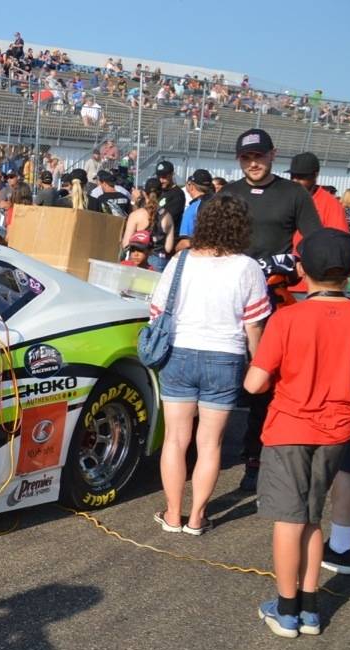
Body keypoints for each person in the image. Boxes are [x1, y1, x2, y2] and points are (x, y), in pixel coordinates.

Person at [244, 229, 350, 637]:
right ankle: (310, 606)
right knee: (312, 517)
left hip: (290, 428)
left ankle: (287, 608)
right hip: (338, 430)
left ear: (301, 270)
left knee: (288, 521)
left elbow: (254, 385)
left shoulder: (288, 317)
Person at [150, 193, 270, 536]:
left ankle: (173, 514)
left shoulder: (181, 262)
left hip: (179, 353)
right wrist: (256, 365)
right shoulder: (248, 267)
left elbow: (157, 312)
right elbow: (255, 325)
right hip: (225, 358)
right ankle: (198, 517)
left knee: (175, 439)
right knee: (210, 443)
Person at [221, 129, 323, 492]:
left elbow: (315, 242)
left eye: (259, 156)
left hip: (270, 297)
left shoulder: (293, 193)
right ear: (239, 159)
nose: (253, 163)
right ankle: (203, 450)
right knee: (221, 369)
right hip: (228, 296)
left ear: (272, 155)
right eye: (247, 157)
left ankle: (255, 453)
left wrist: (292, 261)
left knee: (264, 374)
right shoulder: (228, 193)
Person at [287, 152, 349, 254]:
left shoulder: (331, 204)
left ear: (315, 175)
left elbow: (339, 243)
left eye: (301, 177)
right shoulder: (284, 197)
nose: (295, 181)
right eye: (293, 176)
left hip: (309, 264)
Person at [174, 169, 214, 251]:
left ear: (191, 186)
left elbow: (185, 242)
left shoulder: (193, 208)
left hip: (199, 255)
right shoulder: (220, 204)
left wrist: (176, 250)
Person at [154, 160, 186, 237]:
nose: (161, 180)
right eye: (159, 176)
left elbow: (168, 219)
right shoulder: (158, 190)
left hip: (167, 237)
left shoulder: (177, 194)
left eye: (164, 177)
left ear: (172, 174)